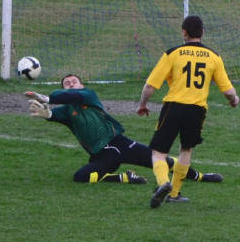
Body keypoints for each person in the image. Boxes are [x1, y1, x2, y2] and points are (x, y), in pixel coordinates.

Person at [26, 74, 224, 185]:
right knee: (80, 177)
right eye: (67, 84)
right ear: (63, 88)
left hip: (120, 143)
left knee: (161, 160)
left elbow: (73, 97)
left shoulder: (87, 95)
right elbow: (57, 115)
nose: (71, 84)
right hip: (102, 155)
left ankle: (200, 176)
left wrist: (49, 98)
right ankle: (124, 178)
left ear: (82, 85)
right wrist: (49, 114)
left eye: (74, 82)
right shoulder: (67, 111)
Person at [137, 15, 240, 208]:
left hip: (174, 107)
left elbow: (150, 85)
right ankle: (174, 193)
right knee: (186, 149)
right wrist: (234, 100)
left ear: (184, 33)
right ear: (202, 33)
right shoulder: (214, 57)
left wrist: (143, 103)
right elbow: (228, 91)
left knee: (159, 153)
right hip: (197, 110)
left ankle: (163, 183)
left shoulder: (173, 53)